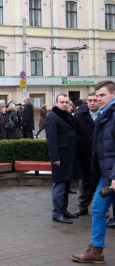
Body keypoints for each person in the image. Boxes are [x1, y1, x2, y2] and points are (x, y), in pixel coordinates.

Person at [71, 80, 115, 263]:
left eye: (102, 95)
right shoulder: (106, 114)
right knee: (97, 209)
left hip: (111, 176)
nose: (98, 99)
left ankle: (96, 250)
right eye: (96, 96)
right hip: (105, 175)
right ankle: (96, 251)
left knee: (97, 209)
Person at [45, 94, 79, 224]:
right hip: (60, 158)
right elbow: (51, 140)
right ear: (56, 103)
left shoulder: (68, 116)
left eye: (66, 102)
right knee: (59, 186)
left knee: (66, 185)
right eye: (62, 102)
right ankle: (57, 213)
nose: (64, 104)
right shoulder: (52, 117)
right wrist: (55, 158)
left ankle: (63, 210)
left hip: (69, 157)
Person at [73, 92, 99, 217]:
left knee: (100, 184)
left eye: (95, 100)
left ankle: (100, 209)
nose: (93, 103)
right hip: (85, 155)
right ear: (86, 102)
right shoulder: (78, 115)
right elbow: (74, 135)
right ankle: (83, 207)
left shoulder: (105, 114)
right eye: (90, 100)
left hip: (100, 157)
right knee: (84, 184)